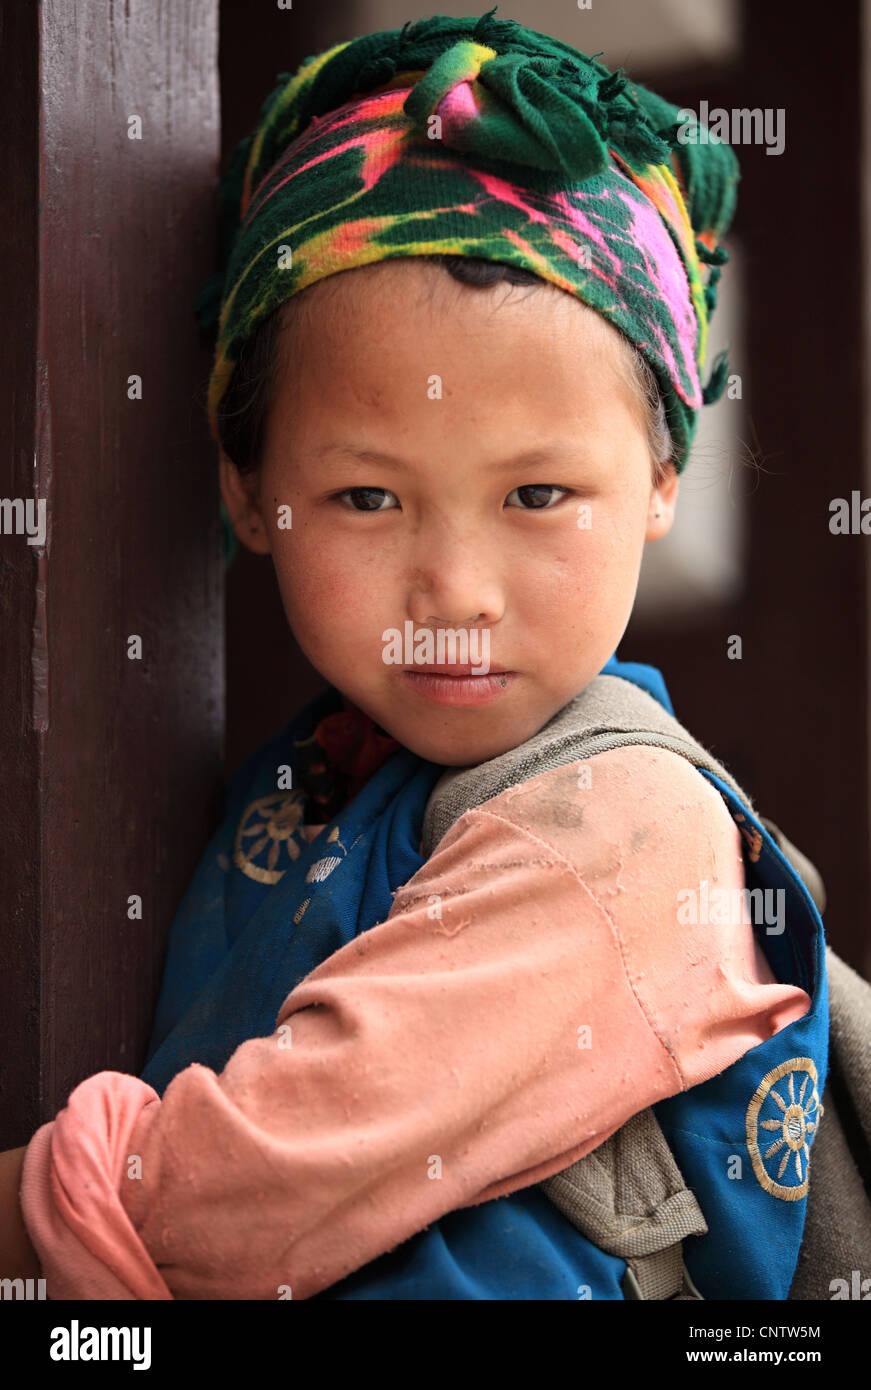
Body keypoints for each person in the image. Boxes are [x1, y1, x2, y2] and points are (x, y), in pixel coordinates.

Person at [1, 10, 825, 1300]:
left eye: (538, 494)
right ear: (247, 485)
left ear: (663, 476)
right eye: (368, 498)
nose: (456, 590)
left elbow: (241, 1194)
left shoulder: (625, 829)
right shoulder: (313, 784)